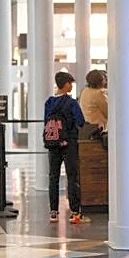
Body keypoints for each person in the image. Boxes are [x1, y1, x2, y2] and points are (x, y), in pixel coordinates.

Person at [45, 71, 89, 224]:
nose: (71, 86)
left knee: (53, 177)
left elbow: (46, 121)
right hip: (69, 142)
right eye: (71, 83)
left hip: (53, 143)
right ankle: (75, 212)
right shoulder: (71, 103)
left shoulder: (49, 102)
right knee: (72, 176)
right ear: (66, 84)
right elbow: (81, 121)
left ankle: (53, 212)